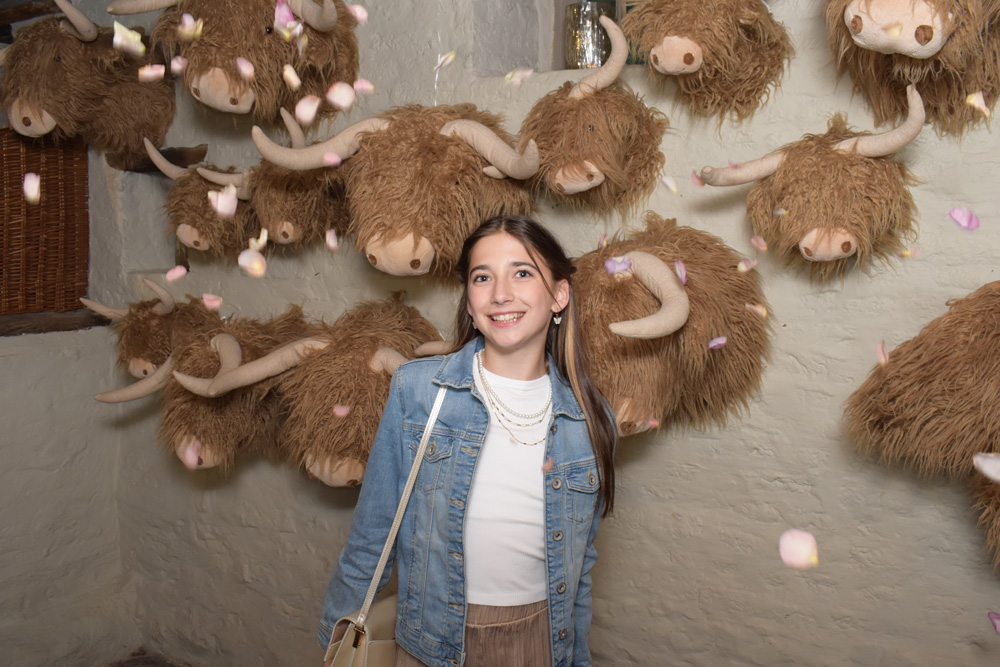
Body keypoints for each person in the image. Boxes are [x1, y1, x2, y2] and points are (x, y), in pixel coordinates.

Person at [318, 215, 617, 667]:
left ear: (559, 295)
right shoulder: (418, 392)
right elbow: (371, 538)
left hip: (540, 644)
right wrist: (333, 640)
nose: (500, 293)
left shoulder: (591, 420)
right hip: (430, 645)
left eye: (522, 272)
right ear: (471, 301)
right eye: (482, 277)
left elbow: (581, 568)